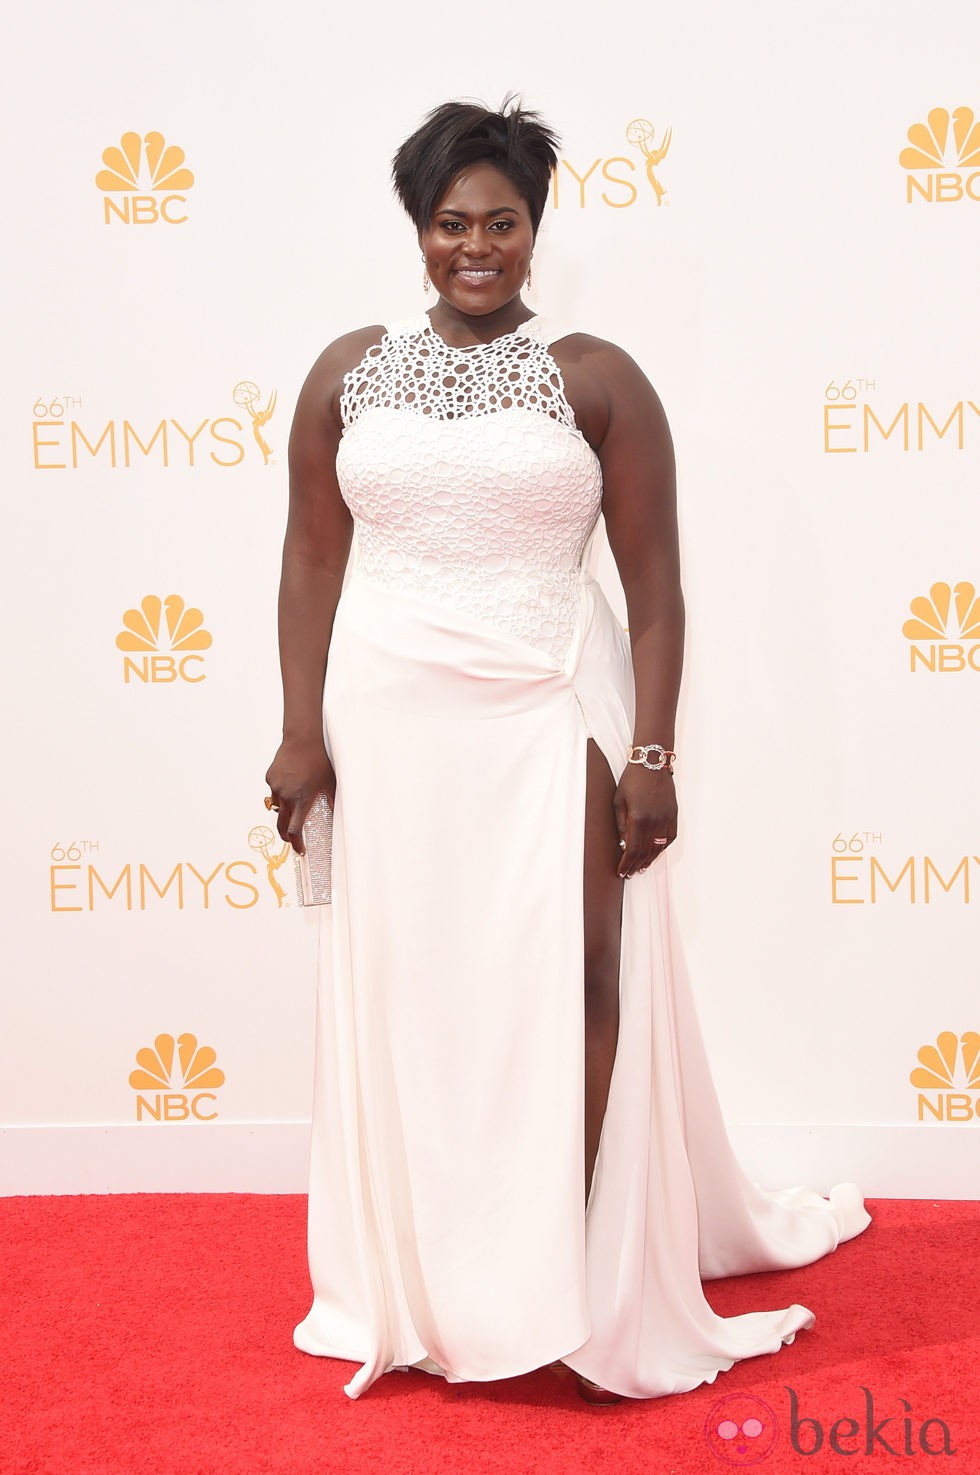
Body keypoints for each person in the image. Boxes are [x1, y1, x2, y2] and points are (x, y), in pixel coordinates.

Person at [264, 99, 870, 1405]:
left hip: (552, 703)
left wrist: (652, 755)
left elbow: (655, 587)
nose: (477, 247)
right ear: (417, 229)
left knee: (579, 979)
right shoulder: (345, 373)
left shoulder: (597, 373)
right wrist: (301, 730)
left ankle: (570, 1277)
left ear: (536, 230)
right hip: (392, 721)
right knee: (415, 990)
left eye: (503, 222)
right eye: (452, 223)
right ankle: (433, 1278)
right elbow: (312, 558)